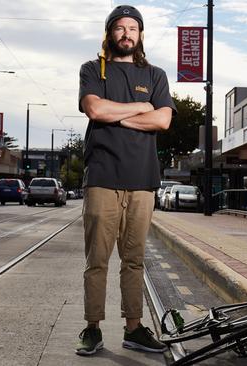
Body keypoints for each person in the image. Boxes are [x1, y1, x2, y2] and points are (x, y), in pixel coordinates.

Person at [76, 4, 177, 356]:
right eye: (120, 27)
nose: (126, 34)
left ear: (140, 34)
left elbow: (163, 121)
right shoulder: (92, 69)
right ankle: (92, 327)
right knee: (98, 260)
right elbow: (95, 110)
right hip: (103, 176)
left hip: (142, 180)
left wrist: (116, 115)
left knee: (134, 260)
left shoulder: (155, 75)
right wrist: (141, 109)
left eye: (133, 28)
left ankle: (133, 328)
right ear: (109, 33)